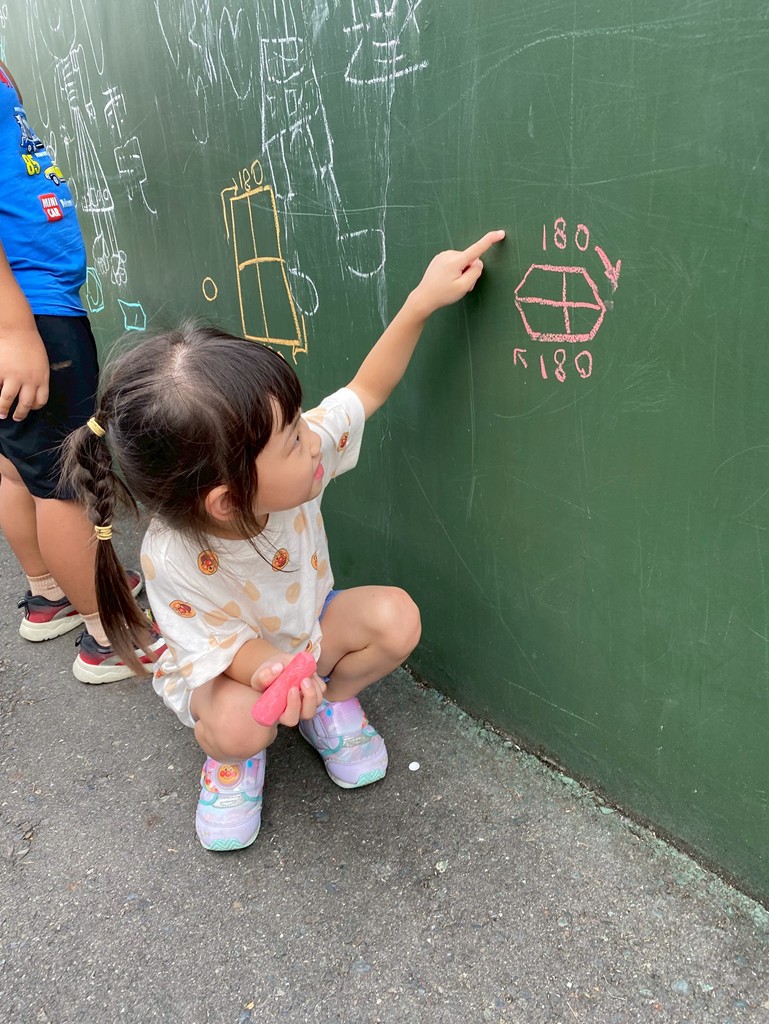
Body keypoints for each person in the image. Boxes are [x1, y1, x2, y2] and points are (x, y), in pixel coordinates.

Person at [60, 229, 505, 851]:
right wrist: (270, 672)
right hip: (231, 670)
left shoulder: (294, 470)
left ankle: (326, 705)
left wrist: (420, 302)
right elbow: (218, 649)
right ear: (228, 499)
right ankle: (232, 763)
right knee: (239, 726)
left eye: (298, 424)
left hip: (307, 632)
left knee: (396, 618)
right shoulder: (170, 557)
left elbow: (366, 390)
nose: (312, 441)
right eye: (293, 439)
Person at [0, 59, 156, 683]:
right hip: (28, 311)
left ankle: (50, 592)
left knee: (19, 466)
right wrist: (14, 329)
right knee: (64, 479)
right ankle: (107, 632)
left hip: (26, 308)